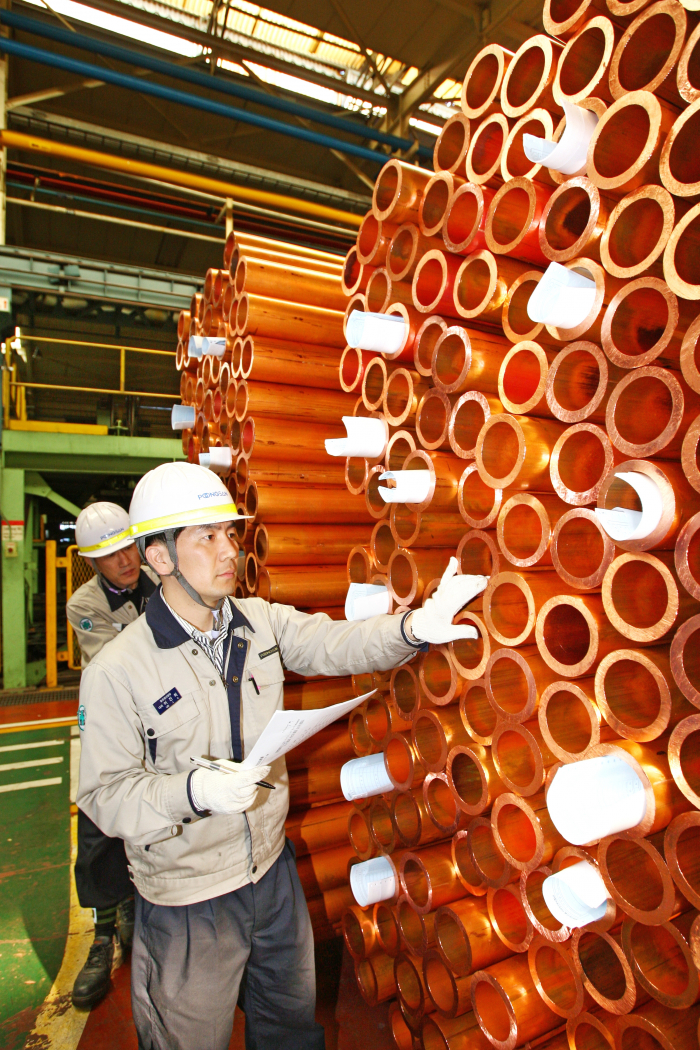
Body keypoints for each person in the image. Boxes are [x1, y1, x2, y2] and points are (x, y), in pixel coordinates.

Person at [76, 463, 487, 1050]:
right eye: (207, 537)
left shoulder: (257, 621)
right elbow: (105, 795)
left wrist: (415, 627)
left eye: (230, 533)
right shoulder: (119, 669)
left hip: (270, 875)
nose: (229, 551)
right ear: (160, 558)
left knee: (293, 1030)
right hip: (188, 901)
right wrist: (192, 792)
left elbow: (336, 643)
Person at [67, 502, 158, 1009]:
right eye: (110, 554)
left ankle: (135, 906)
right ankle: (102, 933)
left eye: (129, 547)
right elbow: (119, 660)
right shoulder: (84, 604)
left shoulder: (157, 580)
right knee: (100, 823)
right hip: (108, 719)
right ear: (92, 561)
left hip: (155, 717)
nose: (125, 560)